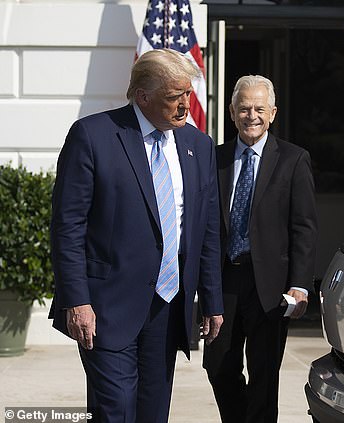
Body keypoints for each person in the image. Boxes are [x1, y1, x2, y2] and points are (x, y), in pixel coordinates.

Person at [49, 48, 224, 422]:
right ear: (143, 96)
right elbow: (68, 227)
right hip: (105, 308)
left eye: (188, 95)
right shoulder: (93, 136)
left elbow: (205, 230)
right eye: (175, 97)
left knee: (152, 413)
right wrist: (76, 301)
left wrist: (211, 299)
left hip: (168, 307)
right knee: (116, 411)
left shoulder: (198, 146)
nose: (184, 106)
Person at [203, 75, 318, 423]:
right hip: (224, 280)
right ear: (231, 112)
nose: (251, 115)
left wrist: (300, 284)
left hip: (270, 285)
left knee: (264, 375)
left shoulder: (294, 160)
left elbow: (304, 227)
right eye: (243, 108)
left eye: (259, 109)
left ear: (272, 114)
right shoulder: (214, 158)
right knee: (219, 366)